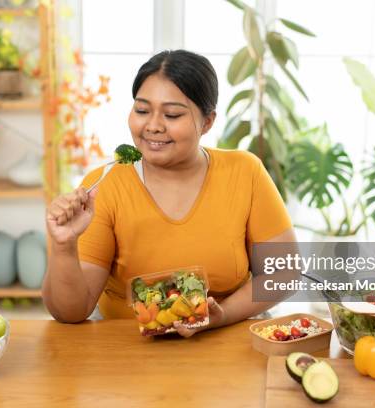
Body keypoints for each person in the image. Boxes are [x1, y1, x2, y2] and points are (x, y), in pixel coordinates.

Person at [42, 49, 296, 337]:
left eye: (172, 114)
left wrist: (221, 316)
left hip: (226, 340)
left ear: (208, 122)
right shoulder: (105, 185)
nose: (153, 126)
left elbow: (283, 274)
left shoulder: (245, 172)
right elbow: (70, 313)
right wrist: (64, 246)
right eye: (142, 110)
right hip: (124, 350)